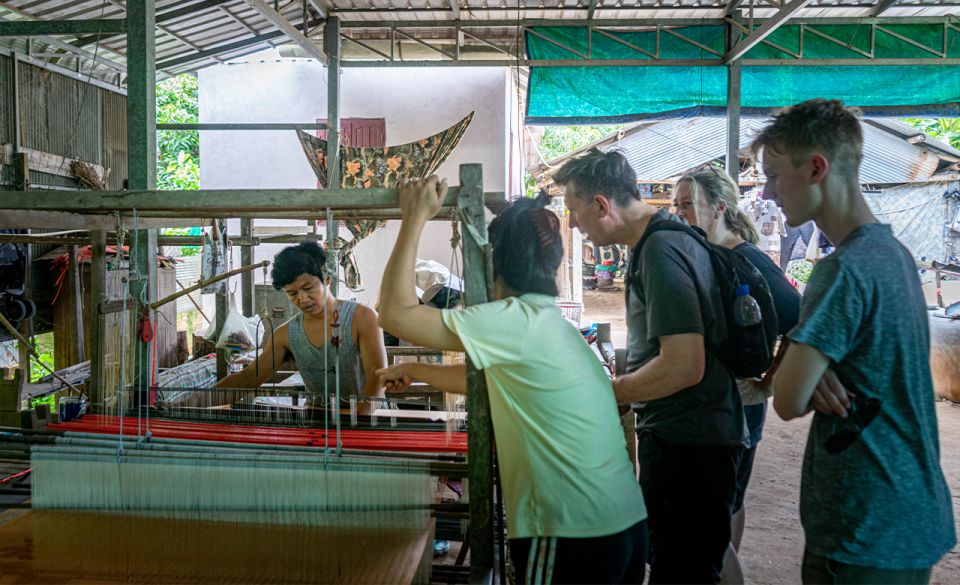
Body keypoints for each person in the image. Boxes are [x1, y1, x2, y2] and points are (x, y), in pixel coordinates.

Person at [377, 178, 648, 584]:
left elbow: (395, 313)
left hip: (569, 532)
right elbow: (494, 385)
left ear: (492, 263)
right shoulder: (553, 326)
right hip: (621, 525)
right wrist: (415, 371)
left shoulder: (512, 320)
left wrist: (414, 218)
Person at [754, 99, 955, 584]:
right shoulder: (895, 254)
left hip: (863, 523)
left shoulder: (840, 270)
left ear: (817, 169)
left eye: (776, 175)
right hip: (909, 510)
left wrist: (808, 369)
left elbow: (786, 398)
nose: (767, 191)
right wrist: (817, 366)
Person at [555, 149, 747, 584]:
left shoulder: (662, 250)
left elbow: (684, 365)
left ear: (602, 205)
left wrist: (611, 392)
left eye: (574, 211)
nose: (572, 224)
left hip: (690, 444)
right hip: (688, 436)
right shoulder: (663, 240)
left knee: (680, 570)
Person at [673, 165, 801, 583]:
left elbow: (799, 320)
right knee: (726, 503)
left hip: (738, 406)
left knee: (713, 510)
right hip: (718, 405)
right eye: (677, 206)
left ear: (720, 208)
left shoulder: (744, 259)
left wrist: (768, 382)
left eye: (689, 205)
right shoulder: (704, 256)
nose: (681, 214)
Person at [202, 242, 387, 413]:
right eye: (292, 293)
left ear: (327, 279)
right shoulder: (286, 334)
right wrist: (190, 404)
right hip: (317, 422)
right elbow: (249, 377)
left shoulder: (362, 318)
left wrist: (358, 416)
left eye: (309, 288)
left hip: (369, 422)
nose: (302, 299)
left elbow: (377, 377)